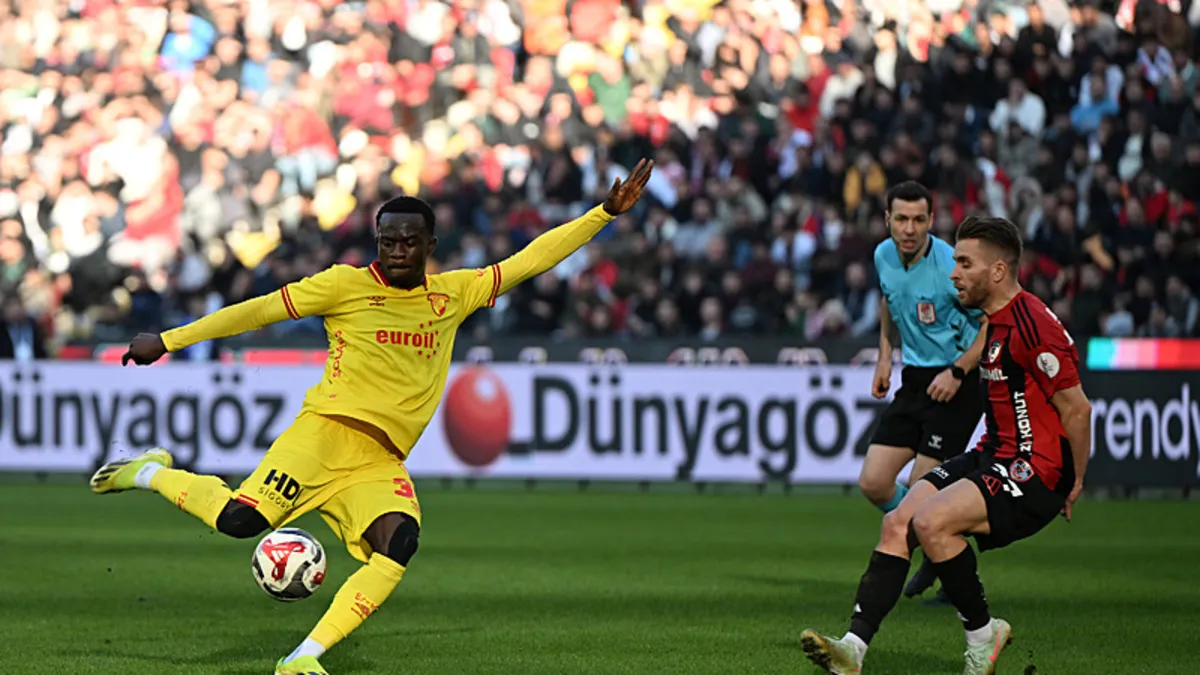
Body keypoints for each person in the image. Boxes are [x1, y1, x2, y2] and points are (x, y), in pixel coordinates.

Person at [90, 160, 656, 675]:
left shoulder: (454, 295)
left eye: (409, 242)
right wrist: (168, 339)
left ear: (430, 244)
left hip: (379, 460)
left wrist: (602, 214)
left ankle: (302, 659)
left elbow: (529, 261)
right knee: (239, 523)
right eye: (388, 242)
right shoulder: (344, 286)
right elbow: (258, 310)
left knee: (401, 541)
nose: (397, 251)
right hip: (322, 437)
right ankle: (147, 471)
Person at [800, 216, 1092, 675]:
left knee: (931, 522)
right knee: (898, 521)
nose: (953, 272)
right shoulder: (994, 320)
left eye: (963, 263)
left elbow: (1078, 409)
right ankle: (852, 649)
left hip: (1032, 469)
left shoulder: (1034, 325)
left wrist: (1073, 480)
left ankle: (982, 638)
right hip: (992, 455)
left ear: (997, 271)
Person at [862, 181, 987, 602]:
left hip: (958, 381)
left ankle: (941, 555)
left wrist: (958, 370)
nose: (909, 228)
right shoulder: (882, 256)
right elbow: (888, 300)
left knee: (919, 494)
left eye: (919, 219)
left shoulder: (953, 266)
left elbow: (992, 322)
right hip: (915, 378)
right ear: (888, 220)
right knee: (874, 483)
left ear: (932, 221)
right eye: (901, 219)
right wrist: (884, 355)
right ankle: (941, 539)